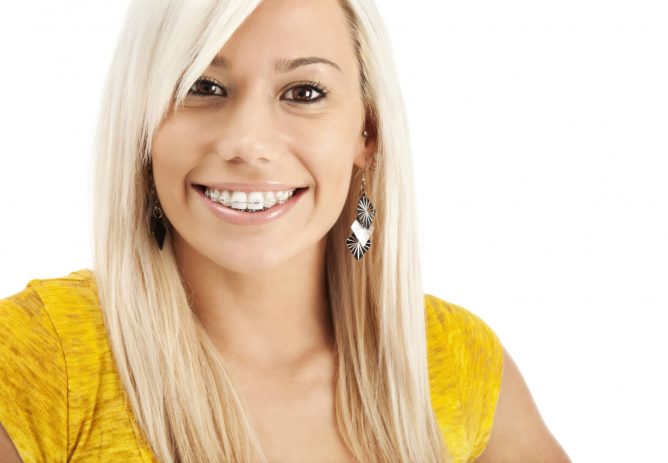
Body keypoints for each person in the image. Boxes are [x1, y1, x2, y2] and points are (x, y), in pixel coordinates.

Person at [0, 0, 571, 461]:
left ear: (365, 134)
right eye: (203, 86)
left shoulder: (453, 360)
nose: (247, 144)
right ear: (144, 124)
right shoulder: (44, 356)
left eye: (304, 93)